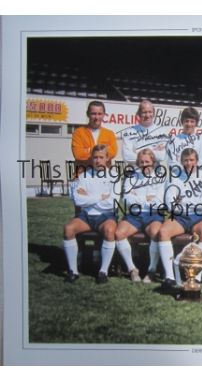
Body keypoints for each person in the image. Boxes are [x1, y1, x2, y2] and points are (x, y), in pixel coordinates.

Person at [62, 144, 121, 283]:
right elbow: (78, 200)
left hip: (106, 215)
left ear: (107, 159)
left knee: (109, 230)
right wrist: (100, 197)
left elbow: (112, 202)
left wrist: (88, 197)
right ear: (91, 159)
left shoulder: (114, 176)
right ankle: (73, 271)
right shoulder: (83, 176)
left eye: (101, 157)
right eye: (95, 157)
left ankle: (103, 271)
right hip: (86, 216)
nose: (98, 161)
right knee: (68, 229)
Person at [114, 148, 166, 286]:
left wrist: (137, 197)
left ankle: (152, 270)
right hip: (134, 215)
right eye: (141, 162)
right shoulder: (131, 177)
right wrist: (146, 198)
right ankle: (132, 269)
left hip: (153, 215)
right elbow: (125, 200)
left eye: (147, 161)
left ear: (153, 162)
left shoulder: (160, 178)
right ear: (138, 163)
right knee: (119, 233)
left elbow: (159, 202)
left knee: (156, 233)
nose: (144, 164)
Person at [159, 148, 202, 283]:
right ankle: (169, 276)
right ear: (181, 161)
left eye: (192, 160)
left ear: (197, 161)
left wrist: (183, 201)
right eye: (186, 160)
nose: (189, 163)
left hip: (199, 217)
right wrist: (185, 206)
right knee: (163, 232)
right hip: (180, 217)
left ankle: (197, 276)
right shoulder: (175, 177)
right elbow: (170, 201)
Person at [71, 100, 118, 171]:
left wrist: (88, 150)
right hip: (81, 174)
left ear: (104, 115)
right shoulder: (78, 133)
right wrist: (101, 151)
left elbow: (113, 153)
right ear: (87, 114)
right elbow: (78, 154)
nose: (96, 117)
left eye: (99, 114)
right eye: (93, 114)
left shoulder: (109, 134)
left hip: (103, 174)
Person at [121, 99, 167, 166]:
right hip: (135, 174)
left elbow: (162, 156)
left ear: (154, 113)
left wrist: (136, 152)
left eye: (150, 112)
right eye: (144, 112)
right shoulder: (129, 132)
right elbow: (127, 156)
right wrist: (153, 151)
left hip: (155, 174)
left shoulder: (161, 131)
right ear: (139, 114)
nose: (147, 115)